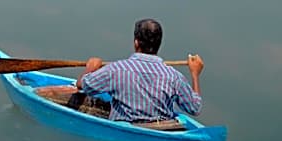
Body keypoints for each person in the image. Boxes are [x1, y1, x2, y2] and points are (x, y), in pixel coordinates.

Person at [75, 18, 205, 122]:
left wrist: (90, 68)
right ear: (159, 44)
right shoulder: (174, 76)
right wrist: (194, 74)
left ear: (136, 43)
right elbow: (195, 108)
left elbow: (82, 85)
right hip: (161, 129)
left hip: (126, 128)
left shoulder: (116, 70)